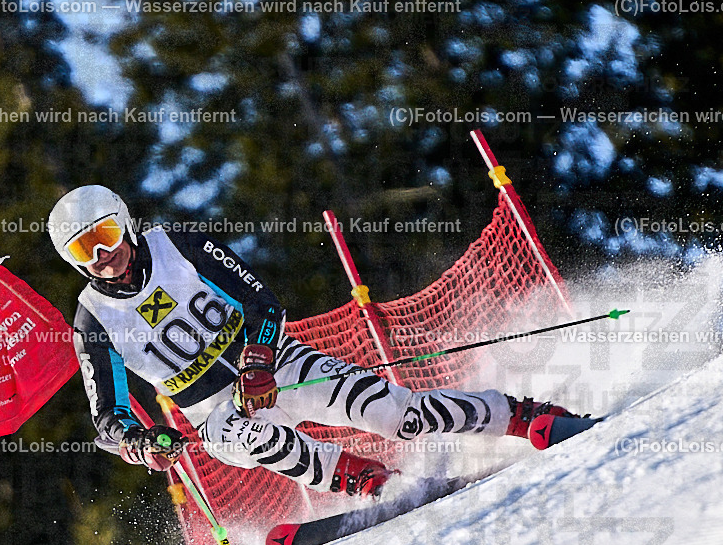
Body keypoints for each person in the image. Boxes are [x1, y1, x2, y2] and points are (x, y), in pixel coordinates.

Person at [48, 186, 577, 497]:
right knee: (259, 439)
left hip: (276, 365)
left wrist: (257, 363)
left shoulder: (177, 245)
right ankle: (362, 479)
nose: (101, 257)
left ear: (124, 224)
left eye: (106, 238)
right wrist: (141, 444)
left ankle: (512, 414)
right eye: (83, 251)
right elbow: (108, 418)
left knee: (397, 415)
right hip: (215, 415)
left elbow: (263, 302)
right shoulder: (94, 321)